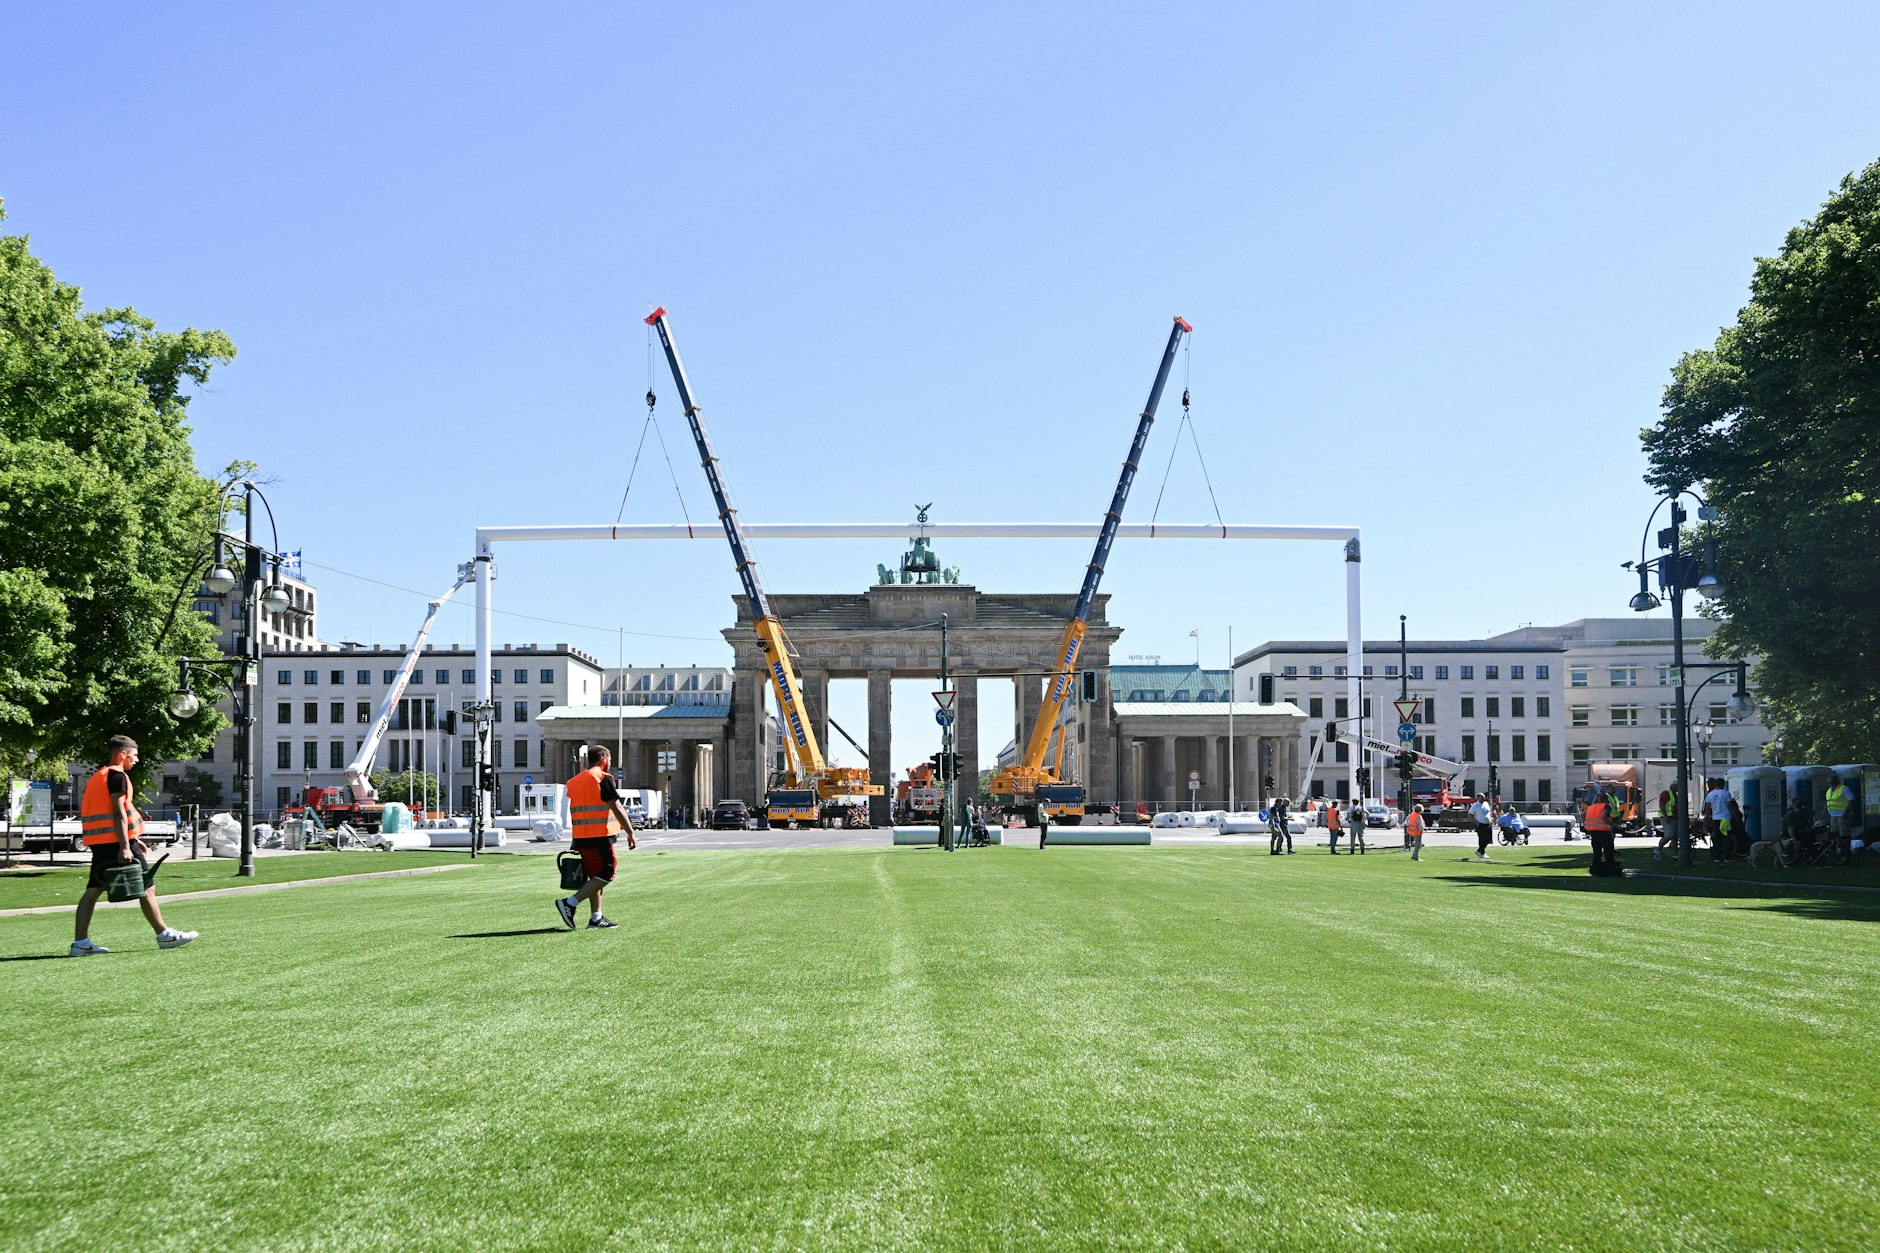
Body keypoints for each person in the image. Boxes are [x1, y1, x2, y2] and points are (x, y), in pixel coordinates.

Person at [70, 736, 197, 955]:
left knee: (93, 891)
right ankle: (164, 935)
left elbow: (112, 814)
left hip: (101, 843)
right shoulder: (118, 776)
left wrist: (132, 838)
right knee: (146, 885)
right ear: (123, 754)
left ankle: (80, 944)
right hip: (116, 843)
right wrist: (125, 845)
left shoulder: (99, 776)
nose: (136, 760)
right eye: (134, 755)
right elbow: (118, 811)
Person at [555, 746, 637, 930]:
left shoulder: (575, 781)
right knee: (608, 872)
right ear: (603, 759)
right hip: (600, 835)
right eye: (610, 759)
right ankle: (570, 903)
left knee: (595, 876)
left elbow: (576, 812)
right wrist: (630, 832)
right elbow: (617, 807)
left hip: (582, 837)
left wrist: (575, 839)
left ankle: (596, 918)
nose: (610, 763)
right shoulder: (602, 778)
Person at [1583, 784, 1620, 877]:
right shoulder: (1606, 806)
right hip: (1604, 833)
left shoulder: (1591, 807)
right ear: (1605, 799)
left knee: (1597, 854)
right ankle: (1611, 872)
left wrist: (1586, 823)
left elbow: (1582, 815)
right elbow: (1604, 817)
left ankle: (1595, 872)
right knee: (1609, 853)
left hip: (1594, 834)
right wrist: (1613, 825)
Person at [1703, 777, 1732, 861]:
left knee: (1717, 837)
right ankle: (1727, 856)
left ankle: (1717, 856)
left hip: (1716, 818)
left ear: (1715, 784)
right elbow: (1730, 805)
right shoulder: (1726, 793)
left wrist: (1708, 817)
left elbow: (1707, 807)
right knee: (1727, 837)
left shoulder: (1710, 794)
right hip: (1726, 818)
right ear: (1723, 784)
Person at [1824, 776, 1854, 852]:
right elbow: (1828, 801)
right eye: (1829, 783)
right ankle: (1838, 849)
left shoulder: (1844, 789)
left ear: (1837, 782)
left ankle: (1846, 850)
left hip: (1842, 814)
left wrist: (1846, 811)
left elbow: (1851, 800)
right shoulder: (1829, 791)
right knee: (1834, 833)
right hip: (1833, 815)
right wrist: (1825, 809)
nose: (1831, 784)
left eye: (1832, 782)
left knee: (1844, 833)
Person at [1468, 793, 1494, 859]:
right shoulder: (1475, 805)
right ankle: (1482, 852)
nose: (1483, 798)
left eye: (1484, 797)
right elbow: (1470, 814)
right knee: (1482, 839)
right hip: (1480, 824)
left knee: (1489, 840)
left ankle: (1479, 851)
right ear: (1478, 797)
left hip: (1488, 823)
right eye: (1481, 797)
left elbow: (1489, 812)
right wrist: (1476, 822)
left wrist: (1491, 819)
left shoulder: (1486, 803)